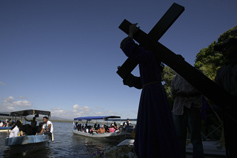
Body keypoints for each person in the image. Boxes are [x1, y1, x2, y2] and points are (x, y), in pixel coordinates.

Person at [121, 23, 181, 157]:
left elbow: (127, 47)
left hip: (151, 95)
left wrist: (130, 34)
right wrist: (129, 79)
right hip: (154, 92)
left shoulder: (148, 55)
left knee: (152, 124)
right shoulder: (152, 59)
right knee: (158, 123)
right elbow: (143, 81)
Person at [214, 27, 237, 158]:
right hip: (228, 110)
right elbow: (216, 90)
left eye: (227, 47)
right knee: (231, 143)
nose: (224, 51)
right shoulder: (221, 71)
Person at [171, 72, 204, 158]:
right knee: (179, 138)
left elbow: (202, 89)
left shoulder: (195, 72)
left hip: (192, 107)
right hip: (178, 109)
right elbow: (172, 94)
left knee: (195, 137)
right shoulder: (175, 78)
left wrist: (187, 94)